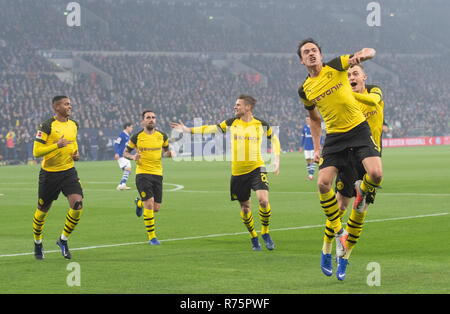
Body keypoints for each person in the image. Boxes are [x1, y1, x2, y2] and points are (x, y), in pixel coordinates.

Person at [297, 38, 383, 280]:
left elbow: (364, 52)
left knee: (372, 183)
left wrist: (366, 52)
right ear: (302, 60)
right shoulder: (305, 89)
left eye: (315, 50)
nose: (312, 54)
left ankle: (344, 256)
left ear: (321, 55)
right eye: (307, 52)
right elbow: (314, 119)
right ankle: (333, 241)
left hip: (359, 132)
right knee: (323, 184)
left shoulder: (336, 66)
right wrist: (316, 147)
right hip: (335, 137)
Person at [171, 94, 280, 251]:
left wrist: (276, 159)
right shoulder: (231, 123)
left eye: (238, 105)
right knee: (245, 207)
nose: (235, 107)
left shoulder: (261, 124)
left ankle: (265, 233)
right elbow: (210, 128)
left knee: (263, 200)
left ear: (248, 107)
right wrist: (189, 130)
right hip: (238, 172)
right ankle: (253, 237)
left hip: (257, 168)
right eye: (235, 105)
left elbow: (274, 139)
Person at [334, 63, 385, 269]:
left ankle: (345, 257)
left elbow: (372, 102)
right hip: (348, 156)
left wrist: (347, 94)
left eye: (355, 73)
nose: (351, 77)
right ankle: (335, 242)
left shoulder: (374, 90)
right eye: (347, 75)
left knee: (361, 209)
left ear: (364, 76)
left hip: (370, 155)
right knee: (340, 207)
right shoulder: (343, 100)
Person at [31, 95, 83, 260]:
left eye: (70, 104)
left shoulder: (74, 124)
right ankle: (37, 242)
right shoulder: (46, 126)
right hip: (49, 175)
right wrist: (56, 145)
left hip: (68, 171)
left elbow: (73, 143)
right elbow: (36, 152)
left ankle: (63, 240)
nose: (70, 106)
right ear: (56, 107)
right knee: (42, 211)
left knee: (77, 205)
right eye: (66, 104)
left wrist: (75, 154)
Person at [123, 110, 174, 245]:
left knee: (156, 207)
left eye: (153, 117)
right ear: (143, 121)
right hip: (142, 174)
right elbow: (125, 153)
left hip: (158, 174)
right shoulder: (136, 137)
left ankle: (139, 203)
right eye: (148, 118)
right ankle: (152, 237)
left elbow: (166, 151)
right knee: (150, 204)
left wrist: (170, 154)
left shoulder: (162, 136)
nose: (151, 119)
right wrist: (133, 157)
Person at [114, 123, 133, 190]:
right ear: (127, 127)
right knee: (128, 169)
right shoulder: (122, 134)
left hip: (125, 155)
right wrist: (116, 153)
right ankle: (123, 184)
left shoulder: (127, 135)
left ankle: (121, 185)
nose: (132, 129)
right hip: (121, 155)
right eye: (131, 127)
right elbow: (116, 143)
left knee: (128, 170)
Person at [299, 116, 315, 180]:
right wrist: (301, 146)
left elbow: (320, 136)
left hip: (313, 147)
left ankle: (310, 175)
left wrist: (319, 145)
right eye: (306, 119)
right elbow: (303, 138)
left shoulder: (314, 127)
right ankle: (310, 175)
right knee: (308, 160)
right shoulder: (304, 128)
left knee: (313, 160)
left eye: (308, 119)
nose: (307, 120)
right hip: (306, 147)